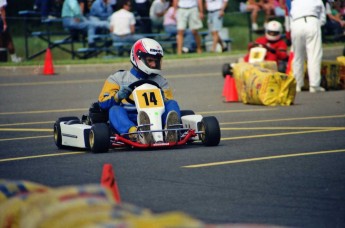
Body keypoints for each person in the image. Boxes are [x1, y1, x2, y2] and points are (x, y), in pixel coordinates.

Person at [97, 38, 181, 144]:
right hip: (129, 117)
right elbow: (102, 104)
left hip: (157, 117)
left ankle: (171, 131)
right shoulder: (118, 78)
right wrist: (118, 96)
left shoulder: (160, 81)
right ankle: (136, 134)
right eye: (150, 60)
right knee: (114, 110)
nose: (154, 65)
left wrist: (162, 98)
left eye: (156, 61)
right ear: (138, 58)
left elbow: (168, 102)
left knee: (172, 103)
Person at [290, 0, 326, 93]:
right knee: (314, 55)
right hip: (311, 21)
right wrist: (318, 24)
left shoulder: (295, 1)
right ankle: (314, 85)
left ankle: (297, 84)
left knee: (297, 56)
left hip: (296, 23)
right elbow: (323, 18)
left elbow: (291, 15)